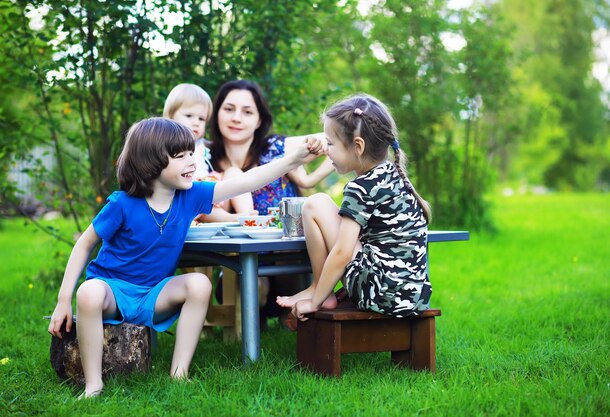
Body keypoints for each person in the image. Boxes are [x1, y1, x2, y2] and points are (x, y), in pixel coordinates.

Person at [47, 117, 323, 398]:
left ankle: (179, 373)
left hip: (154, 295)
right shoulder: (122, 203)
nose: (192, 161)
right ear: (150, 162)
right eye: (181, 156)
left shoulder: (190, 196)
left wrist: (292, 160)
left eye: (192, 153)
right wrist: (62, 300)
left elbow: (246, 181)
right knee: (89, 292)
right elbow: (84, 245)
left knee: (199, 285)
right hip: (112, 293)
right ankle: (94, 384)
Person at [276, 94, 433, 322]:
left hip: (381, 294)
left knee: (315, 204)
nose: (326, 151)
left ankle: (319, 290)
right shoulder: (395, 176)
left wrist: (315, 302)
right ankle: (322, 289)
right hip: (413, 297)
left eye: (330, 143)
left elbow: (342, 252)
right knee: (321, 205)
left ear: (358, 146)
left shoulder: (361, 187)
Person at [208, 79, 334, 320]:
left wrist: (309, 180)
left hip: (288, 262)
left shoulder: (279, 148)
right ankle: (252, 322)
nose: (236, 118)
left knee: (286, 278)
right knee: (244, 283)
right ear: (217, 114)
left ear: (259, 120)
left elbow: (343, 136)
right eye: (229, 109)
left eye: (247, 112)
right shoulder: (204, 157)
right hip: (238, 264)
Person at [163, 83, 255, 222]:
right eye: (189, 116)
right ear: (170, 117)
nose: (196, 123)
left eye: (201, 119)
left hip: (212, 193)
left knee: (234, 172)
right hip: (187, 197)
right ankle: (234, 219)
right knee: (197, 194)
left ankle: (250, 216)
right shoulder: (167, 144)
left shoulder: (201, 145)